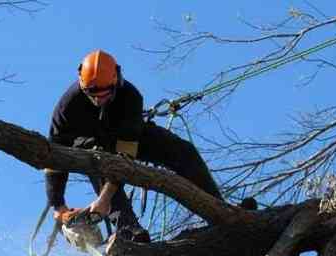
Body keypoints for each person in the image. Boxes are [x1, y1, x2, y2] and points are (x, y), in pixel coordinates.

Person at [45, 50, 224, 243]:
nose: (98, 99)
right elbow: (54, 157)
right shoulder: (66, 108)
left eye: (104, 94)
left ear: (115, 82)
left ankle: (220, 210)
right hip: (89, 147)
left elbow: (125, 155)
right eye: (93, 94)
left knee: (182, 150)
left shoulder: (130, 97)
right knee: (96, 157)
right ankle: (129, 229)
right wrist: (58, 205)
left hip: (126, 139)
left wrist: (104, 199)